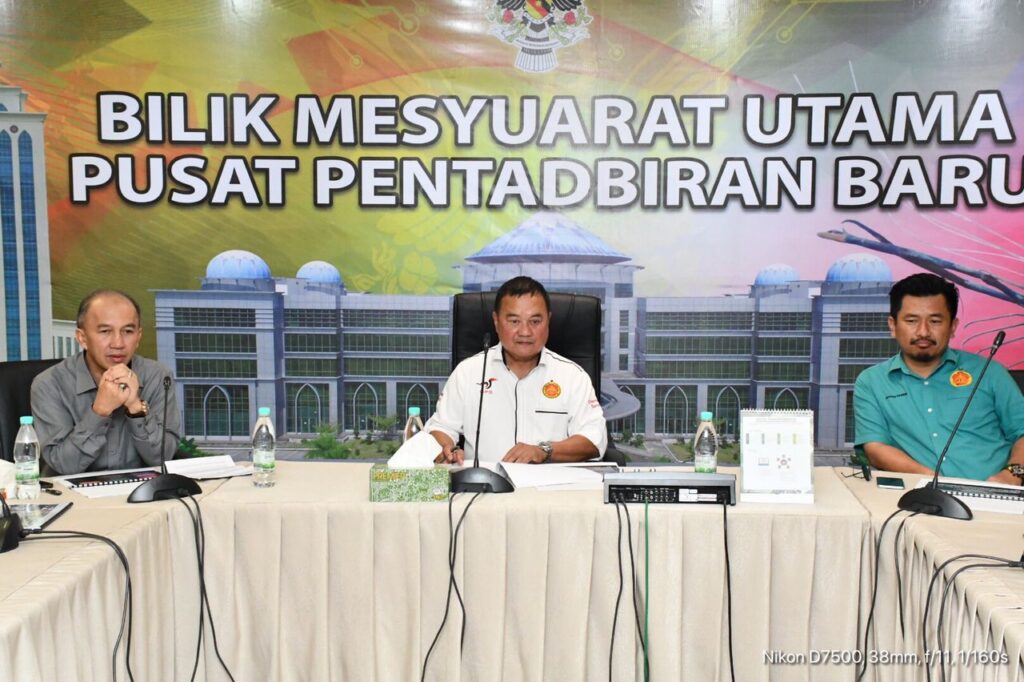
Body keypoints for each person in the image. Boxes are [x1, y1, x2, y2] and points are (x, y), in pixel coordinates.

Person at [854, 273, 1024, 484]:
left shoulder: (988, 372)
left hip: (994, 494)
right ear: (892, 325)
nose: (923, 332)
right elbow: (875, 447)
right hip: (920, 495)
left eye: (935, 321)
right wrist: (933, 482)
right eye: (911, 321)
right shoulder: (872, 382)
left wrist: (1013, 474)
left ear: (952, 326)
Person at [426, 276, 607, 465]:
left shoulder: (573, 376)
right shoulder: (468, 372)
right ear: (496, 321)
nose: (525, 332)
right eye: (514, 321)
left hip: (550, 482)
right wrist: (448, 448)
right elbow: (441, 428)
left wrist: (544, 451)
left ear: (548, 320)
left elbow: (594, 440)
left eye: (535, 321)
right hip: (484, 482)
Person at [31, 290, 180, 475]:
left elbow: (162, 458)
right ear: (82, 338)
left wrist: (135, 407)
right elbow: (63, 465)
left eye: (128, 331)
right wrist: (99, 411)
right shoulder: (49, 384)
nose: (118, 343)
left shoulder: (158, 377)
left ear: (138, 337)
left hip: (142, 489)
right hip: (73, 491)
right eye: (105, 331)